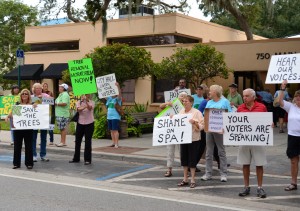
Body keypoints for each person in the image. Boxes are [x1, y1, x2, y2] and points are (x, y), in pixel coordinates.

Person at [237, 88, 269, 198]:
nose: (244, 98)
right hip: (244, 140)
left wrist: (270, 124)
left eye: (247, 96)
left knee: (259, 164)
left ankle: (260, 187)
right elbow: (236, 123)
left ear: (253, 97)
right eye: (243, 96)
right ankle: (246, 187)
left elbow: (266, 121)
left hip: (258, 140)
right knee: (245, 164)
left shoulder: (262, 107)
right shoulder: (240, 108)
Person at [201, 85, 231, 182]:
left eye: (210, 91)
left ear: (215, 92)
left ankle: (223, 174)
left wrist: (225, 126)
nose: (209, 92)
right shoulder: (209, 102)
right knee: (209, 153)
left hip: (220, 130)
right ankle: (208, 173)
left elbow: (230, 114)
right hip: (209, 130)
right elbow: (204, 114)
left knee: (221, 152)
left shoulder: (225, 102)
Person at [177, 95, 204, 188]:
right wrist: (172, 117)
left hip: (193, 139)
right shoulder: (181, 112)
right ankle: (185, 178)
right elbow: (177, 122)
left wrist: (194, 122)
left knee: (192, 159)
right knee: (184, 159)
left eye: (186, 101)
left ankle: (192, 179)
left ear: (191, 103)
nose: (184, 103)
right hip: (183, 138)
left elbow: (201, 126)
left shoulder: (197, 113)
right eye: (183, 101)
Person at [278, 80, 300, 191]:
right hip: (293, 137)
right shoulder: (291, 106)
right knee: (293, 160)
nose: (298, 99)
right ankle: (293, 183)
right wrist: (283, 88)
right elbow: (280, 101)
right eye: (297, 97)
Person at [5, 89, 34, 169]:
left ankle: (29, 163)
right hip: (18, 129)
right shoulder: (17, 104)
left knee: (29, 146)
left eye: (26, 94)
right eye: (23, 94)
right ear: (21, 96)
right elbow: (12, 113)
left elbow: (39, 112)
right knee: (17, 146)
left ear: (28, 95)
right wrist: (7, 116)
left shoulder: (32, 104)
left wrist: (35, 107)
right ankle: (16, 164)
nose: (24, 95)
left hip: (28, 129)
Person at [161, 92, 188, 177]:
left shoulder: (186, 107)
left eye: (184, 96)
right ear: (178, 97)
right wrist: (167, 103)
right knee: (170, 151)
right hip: (171, 131)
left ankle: (185, 171)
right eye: (181, 96)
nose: (182, 98)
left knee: (183, 152)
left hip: (181, 133)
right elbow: (161, 107)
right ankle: (169, 169)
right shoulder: (172, 104)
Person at [69, 94, 95, 165]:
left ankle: (87, 159)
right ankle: (76, 158)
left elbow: (90, 108)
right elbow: (78, 109)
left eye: (87, 95)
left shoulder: (92, 102)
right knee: (77, 141)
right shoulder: (78, 102)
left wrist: (86, 102)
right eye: (84, 95)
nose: (85, 96)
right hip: (80, 123)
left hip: (89, 123)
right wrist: (84, 106)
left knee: (87, 141)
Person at [31, 83, 50, 162]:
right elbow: (28, 104)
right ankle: (34, 155)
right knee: (33, 138)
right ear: (34, 89)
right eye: (37, 88)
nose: (39, 90)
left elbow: (52, 101)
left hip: (43, 119)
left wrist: (42, 98)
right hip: (34, 120)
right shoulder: (31, 97)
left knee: (43, 138)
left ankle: (43, 155)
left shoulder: (45, 95)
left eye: (40, 88)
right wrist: (36, 100)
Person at [106, 82, 122, 148]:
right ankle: (113, 142)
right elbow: (103, 95)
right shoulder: (109, 99)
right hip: (109, 117)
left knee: (115, 130)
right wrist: (100, 88)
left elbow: (120, 95)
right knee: (111, 130)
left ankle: (116, 143)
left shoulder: (117, 99)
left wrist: (118, 86)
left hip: (115, 117)